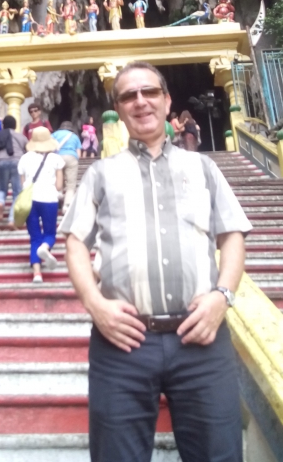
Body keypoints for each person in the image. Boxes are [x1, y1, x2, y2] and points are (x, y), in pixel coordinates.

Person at [60, 60, 252, 462]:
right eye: (128, 95)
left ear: (168, 102)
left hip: (201, 337)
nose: (140, 102)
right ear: (117, 108)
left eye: (149, 92)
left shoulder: (203, 167)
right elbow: (75, 243)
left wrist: (223, 296)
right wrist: (96, 306)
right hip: (122, 341)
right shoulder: (100, 174)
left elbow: (232, 233)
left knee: (219, 454)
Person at [18, 127, 64, 283]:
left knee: (34, 237)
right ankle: (45, 248)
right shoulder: (55, 159)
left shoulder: (24, 158)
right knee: (50, 234)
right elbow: (58, 186)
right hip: (49, 198)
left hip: (30, 199)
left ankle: (37, 274)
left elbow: (23, 183)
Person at [0, 115, 27, 227]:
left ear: (3, 125)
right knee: (17, 192)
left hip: (1, 161)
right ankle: (12, 220)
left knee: (1, 188)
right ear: (15, 126)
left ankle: (0, 203)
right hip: (18, 162)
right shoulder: (21, 137)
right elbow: (28, 151)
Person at [52, 121, 82, 214]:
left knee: (57, 181)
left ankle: (57, 199)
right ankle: (66, 206)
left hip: (57, 158)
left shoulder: (55, 134)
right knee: (71, 184)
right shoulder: (75, 136)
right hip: (71, 157)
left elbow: (49, 147)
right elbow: (79, 153)